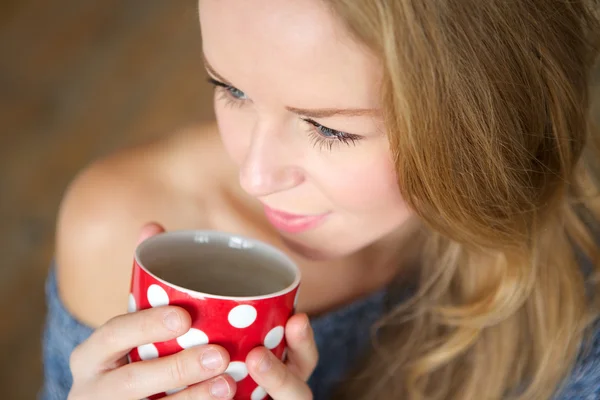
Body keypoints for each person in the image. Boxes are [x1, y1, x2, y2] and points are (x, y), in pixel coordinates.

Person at [41, 0, 600, 399]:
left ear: (487, 118)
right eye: (230, 89)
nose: (255, 176)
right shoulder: (118, 225)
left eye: (330, 131)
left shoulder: (577, 274)